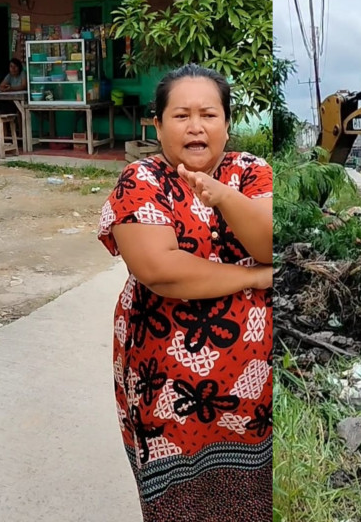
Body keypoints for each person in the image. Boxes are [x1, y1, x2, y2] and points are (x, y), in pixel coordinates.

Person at [97, 63, 273, 521]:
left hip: (255, 392)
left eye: (208, 114)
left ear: (227, 123)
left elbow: (273, 242)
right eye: (181, 115)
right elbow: (161, 270)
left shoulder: (253, 173)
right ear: (157, 124)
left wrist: (223, 196)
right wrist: (253, 276)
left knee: (256, 500)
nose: (196, 126)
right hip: (168, 389)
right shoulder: (143, 179)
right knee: (181, 506)